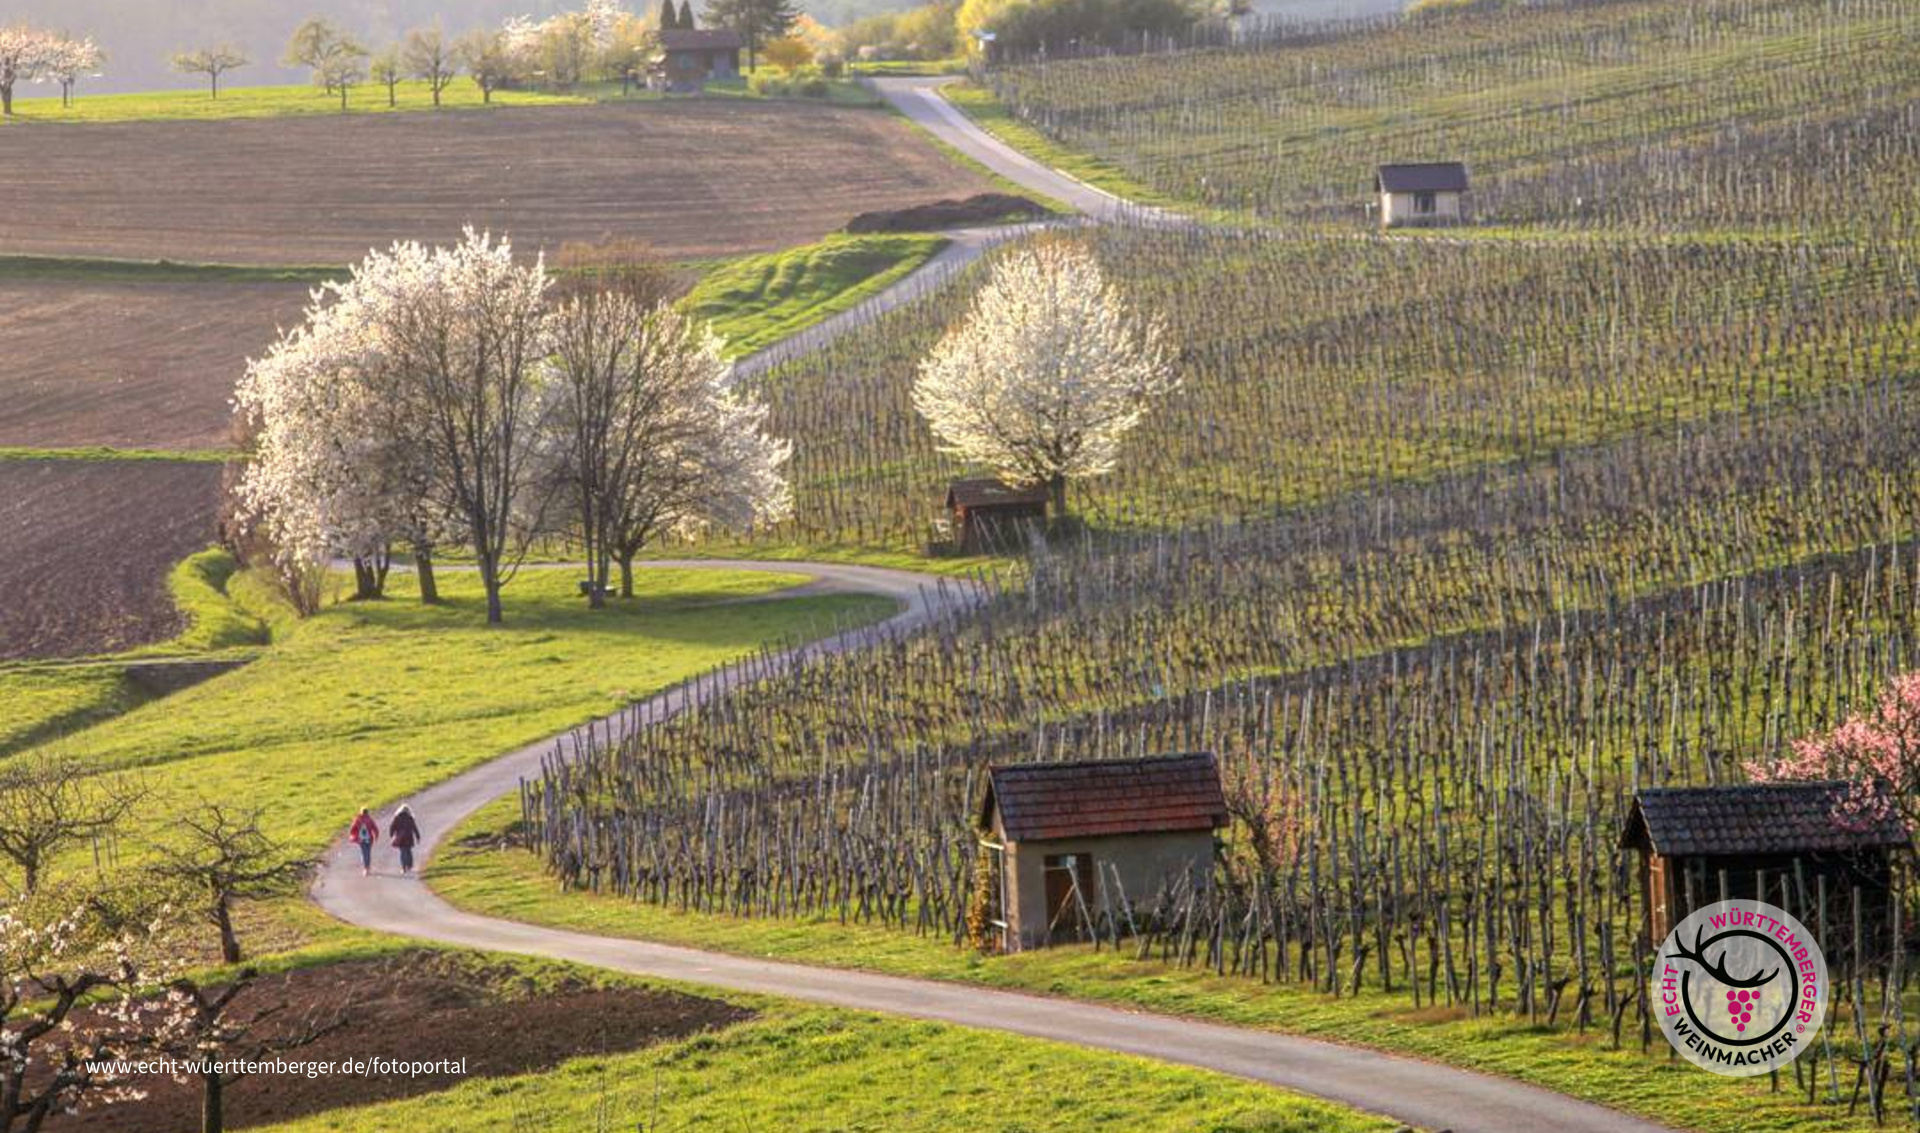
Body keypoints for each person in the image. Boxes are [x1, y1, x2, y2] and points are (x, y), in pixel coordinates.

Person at [389, 804, 422, 875]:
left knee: (402, 852)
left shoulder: (397, 818)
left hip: (400, 838)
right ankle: (409, 866)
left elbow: (392, 827)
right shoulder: (410, 818)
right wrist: (418, 837)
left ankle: (403, 867)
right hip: (409, 837)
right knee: (408, 851)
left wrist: (392, 835)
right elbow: (415, 828)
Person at [348, 807, 380, 877]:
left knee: (365, 853)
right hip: (366, 839)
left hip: (364, 840)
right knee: (367, 853)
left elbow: (352, 829)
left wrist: (353, 836)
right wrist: (376, 836)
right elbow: (375, 829)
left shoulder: (358, 819)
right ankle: (367, 868)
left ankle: (366, 868)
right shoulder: (368, 819)